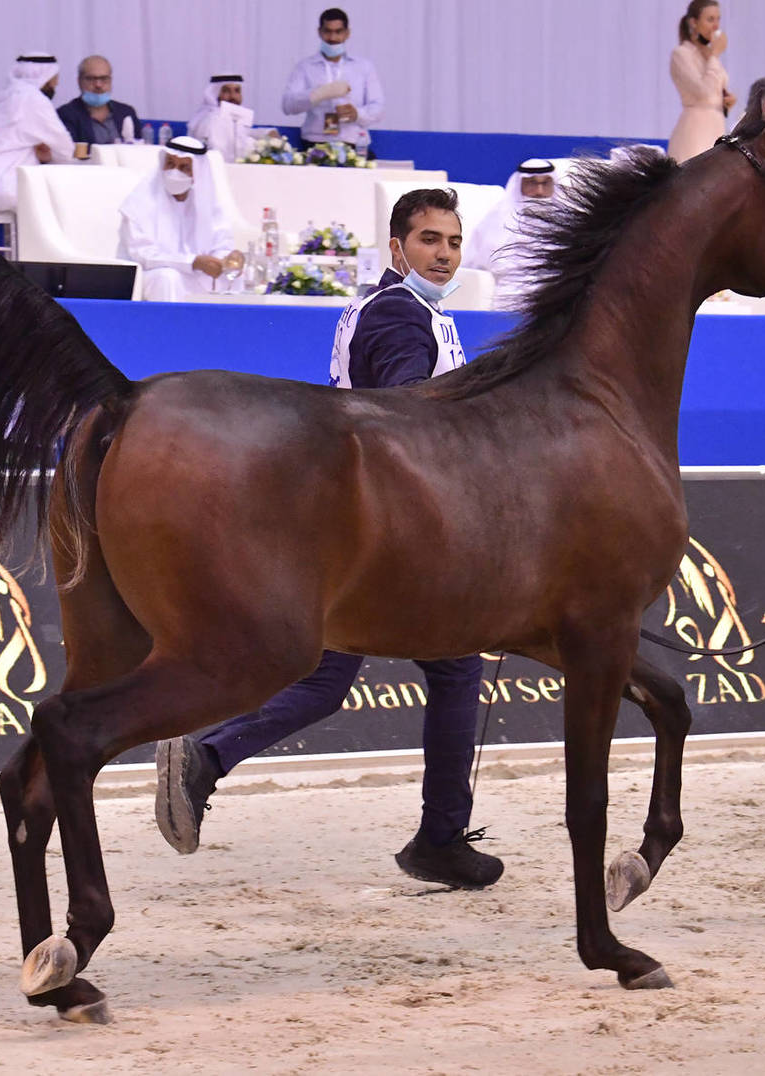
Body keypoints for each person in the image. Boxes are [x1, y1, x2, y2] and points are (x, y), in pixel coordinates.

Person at [156, 187, 504, 890]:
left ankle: (438, 834)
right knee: (415, 671)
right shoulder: (403, 317)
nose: (444, 254)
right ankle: (209, 757)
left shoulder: (397, 308)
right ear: (397, 247)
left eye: (454, 241)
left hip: (364, 519)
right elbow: (414, 416)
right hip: (389, 530)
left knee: (374, 675)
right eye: (431, 240)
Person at [118, 135, 244, 301]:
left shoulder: (207, 204)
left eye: (184, 167)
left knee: (235, 275)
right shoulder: (139, 203)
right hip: (150, 275)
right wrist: (192, 262)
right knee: (168, 277)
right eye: (170, 164)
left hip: (194, 274)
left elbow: (221, 243)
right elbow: (143, 255)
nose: (174, 172)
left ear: (196, 173)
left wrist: (225, 260)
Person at [0, 53, 75, 211]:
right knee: (67, 195)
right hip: (4, 187)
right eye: (55, 78)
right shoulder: (34, 100)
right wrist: (53, 158)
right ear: (47, 77)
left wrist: (42, 156)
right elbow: (66, 151)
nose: (57, 83)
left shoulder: (5, 96)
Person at [281, 8, 384, 152]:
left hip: (354, 143)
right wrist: (317, 94)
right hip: (315, 144)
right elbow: (287, 105)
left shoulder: (364, 67)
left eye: (338, 32)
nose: (332, 38)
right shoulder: (304, 67)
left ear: (347, 33)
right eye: (327, 31)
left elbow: (378, 108)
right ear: (319, 32)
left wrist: (357, 114)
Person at [464, 158, 558, 310]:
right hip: (508, 297)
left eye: (545, 183)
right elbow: (478, 264)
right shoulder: (497, 219)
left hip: (556, 296)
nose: (539, 192)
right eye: (532, 183)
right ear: (519, 186)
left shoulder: (567, 221)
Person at [667, 0, 733, 164]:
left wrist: (726, 101)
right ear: (694, 23)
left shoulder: (709, 55)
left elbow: (716, 89)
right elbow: (703, 90)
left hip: (716, 127)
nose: (716, 26)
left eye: (718, 19)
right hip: (695, 130)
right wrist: (714, 55)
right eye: (710, 19)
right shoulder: (682, 54)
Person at [55, 55, 140, 148]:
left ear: (110, 81)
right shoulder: (66, 114)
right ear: (79, 81)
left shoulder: (126, 112)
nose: (98, 85)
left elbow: (139, 148)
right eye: (91, 79)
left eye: (104, 79)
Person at [188, 73, 259, 161]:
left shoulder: (234, 116)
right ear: (215, 94)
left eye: (237, 91)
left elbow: (243, 133)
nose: (233, 96)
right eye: (226, 91)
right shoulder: (213, 118)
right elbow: (222, 152)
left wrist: (267, 133)